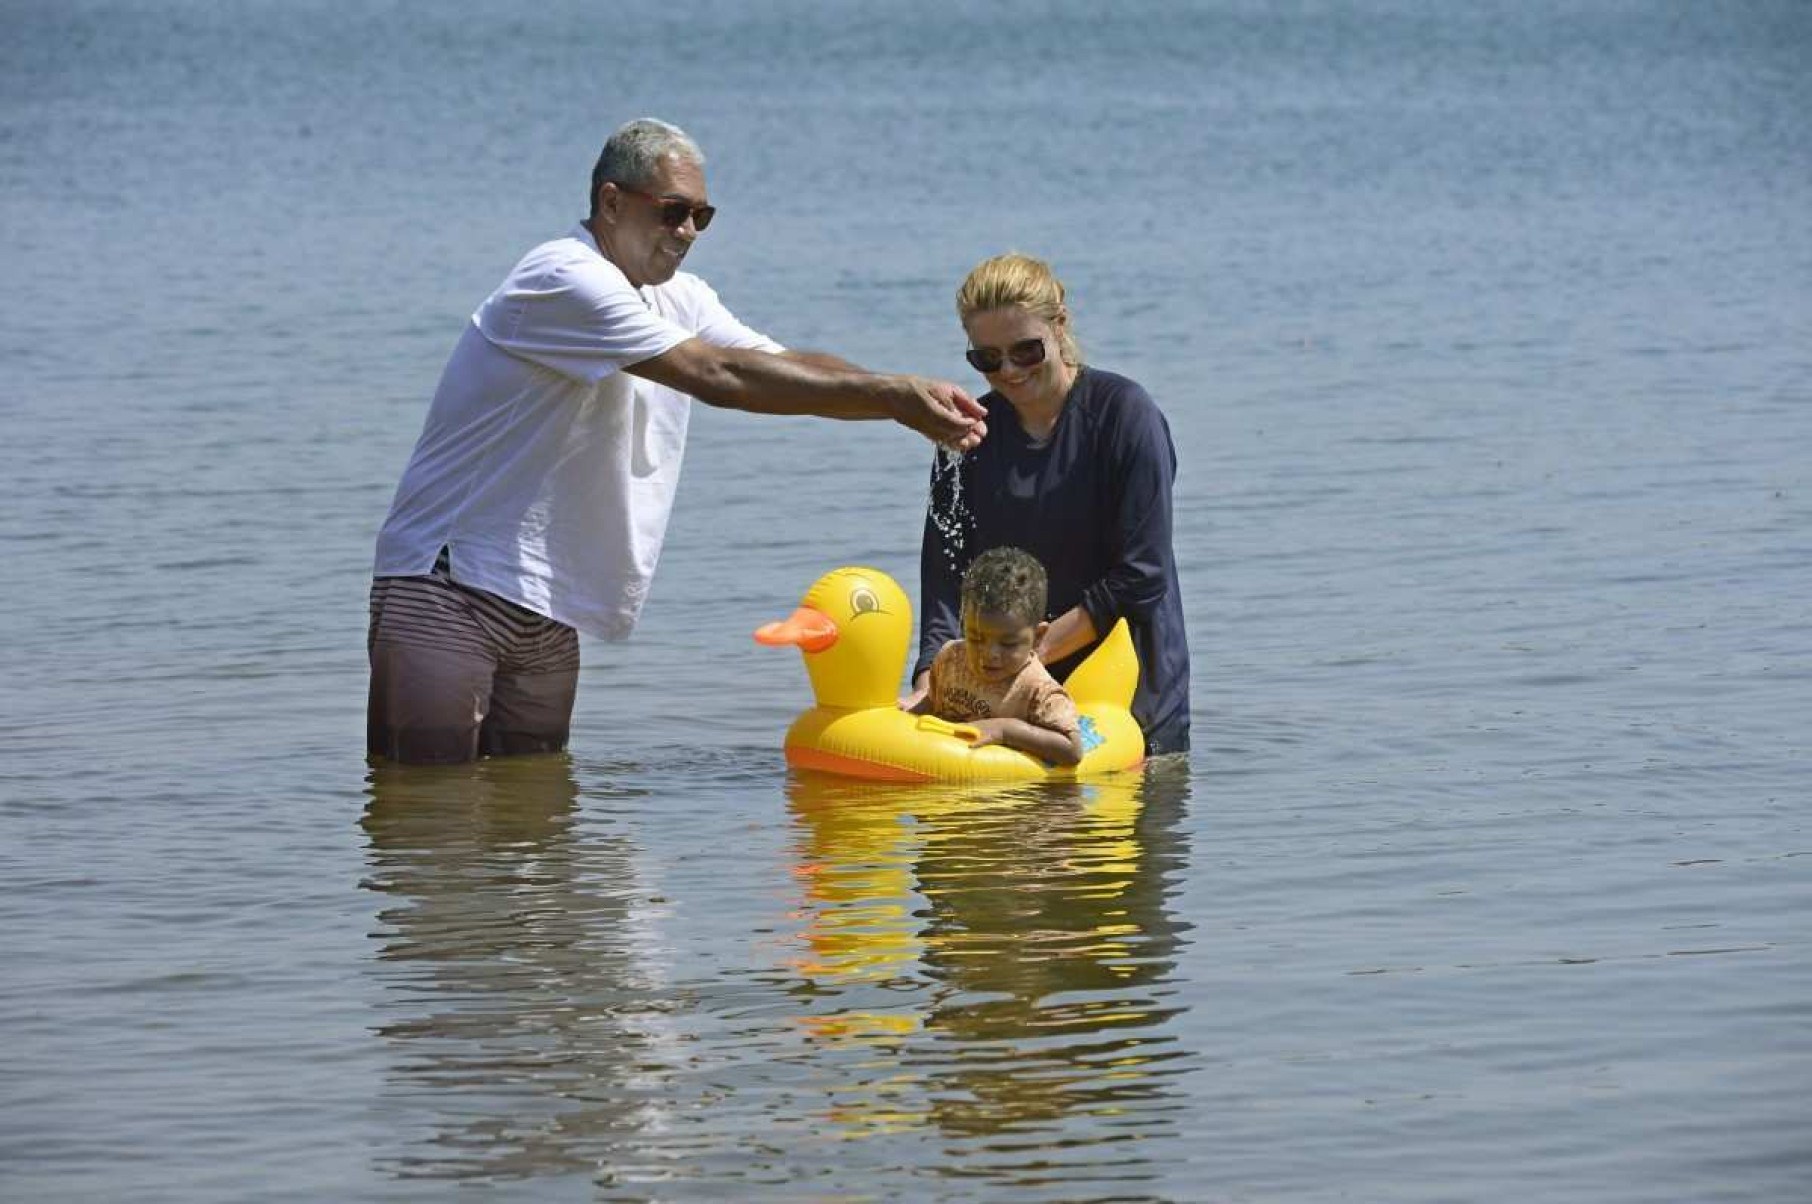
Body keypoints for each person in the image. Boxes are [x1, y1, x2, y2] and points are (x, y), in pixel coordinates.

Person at [369, 118, 986, 765]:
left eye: (702, 216)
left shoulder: (676, 298)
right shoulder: (563, 277)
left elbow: (780, 363)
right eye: (672, 213)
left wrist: (903, 392)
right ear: (611, 202)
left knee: (534, 817)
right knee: (428, 819)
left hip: (545, 600)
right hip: (448, 584)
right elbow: (717, 376)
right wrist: (892, 399)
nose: (688, 233)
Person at [905, 252, 1190, 755]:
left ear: (1060, 326)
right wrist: (933, 673)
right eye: (987, 359)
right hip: (1001, 697)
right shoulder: (965, 434)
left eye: (1026, 350)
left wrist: (1029, 653)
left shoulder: (1127, 416)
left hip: (1127, 706)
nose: (1009, 370)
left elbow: (1140, 578)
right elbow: (946, 575)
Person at [911, 547, 1083, 766]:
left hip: (1009, 791)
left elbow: (1073, 750)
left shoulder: (1039, 690)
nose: (989, 654)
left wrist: (1006, 729)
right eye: (975, 638)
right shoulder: (950, 659)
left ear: (1037, 637)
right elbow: (933, 703)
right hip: (950, 772)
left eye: (1008, 643)